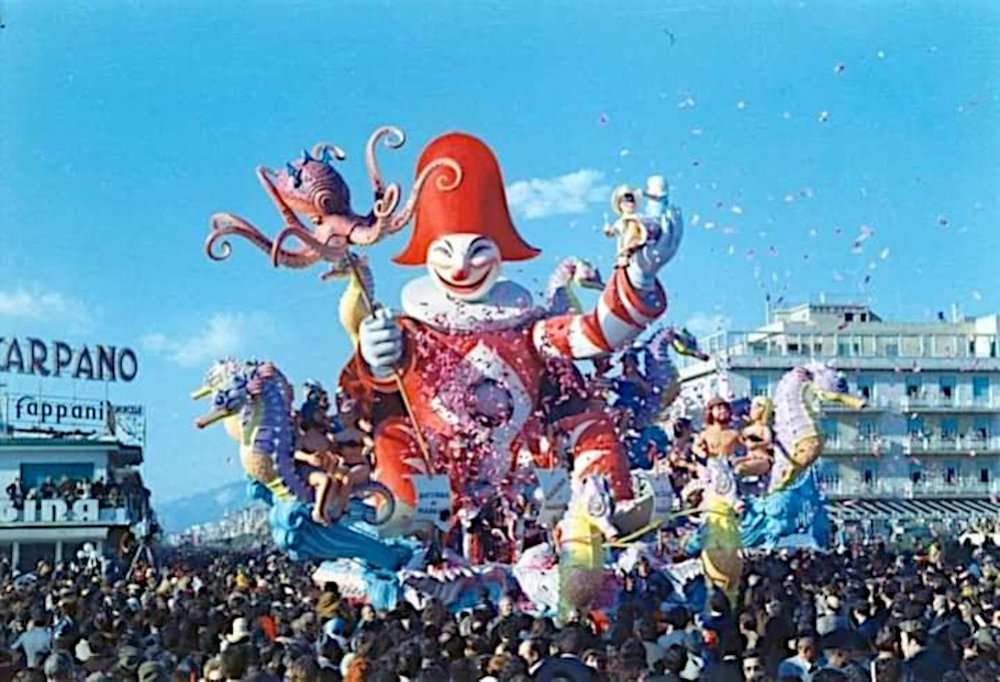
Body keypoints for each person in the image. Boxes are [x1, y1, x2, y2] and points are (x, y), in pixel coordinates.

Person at [692, 398, 743, 462]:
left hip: (728, 466)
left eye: (725, 409)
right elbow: (695, 447)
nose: (723, 411)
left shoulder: (735, 433)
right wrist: (701, 453)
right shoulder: (705, 434)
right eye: (719, 408)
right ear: (711, 412)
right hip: (711, 467)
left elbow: (748, 444)